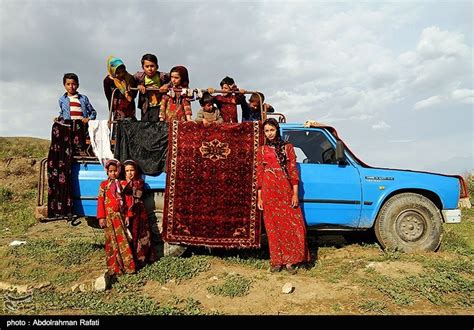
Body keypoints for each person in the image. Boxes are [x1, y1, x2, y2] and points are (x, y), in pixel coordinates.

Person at [257, 118, 311, 274]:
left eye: (272, 130)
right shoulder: (261, 150)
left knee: (291, 225)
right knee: (273, 227)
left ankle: (291, 261)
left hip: (285, 191)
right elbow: (259, 175)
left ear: (277, 130)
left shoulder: (288, 148)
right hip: (269, 192)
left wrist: (294, 194)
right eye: (266, 131)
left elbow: (293, 172)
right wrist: (260, 197)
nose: (269, 133)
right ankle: (277, 261)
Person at [97, 159, 136, 275]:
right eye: (110, 171)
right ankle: (114, 268)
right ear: (107, 172)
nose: (113, 173)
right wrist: (101, 217)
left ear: (119, 171)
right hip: (108, 218)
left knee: (123, 241)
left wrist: (128, 215)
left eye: (115, 171)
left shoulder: (123, 184)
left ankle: (128, 267)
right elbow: (100, 201)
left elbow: (129, 201)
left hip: (120, 217)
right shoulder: (103, 185)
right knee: (110, 241)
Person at [121, 159, 156, 269]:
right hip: (125, 212)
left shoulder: (139, 182)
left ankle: (141, 259)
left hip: (138, 212)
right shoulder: (120, 183)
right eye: (127, 171)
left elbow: (137, 194)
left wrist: (129, 185)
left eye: (132, 170)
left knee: (139, 234)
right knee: (128, 235)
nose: (130, 173)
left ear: (136, 171)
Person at [134, 54, 170, 122]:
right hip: (145, 106)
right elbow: (130, 81)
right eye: (147, 66)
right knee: (145, 126)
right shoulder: (139, 76)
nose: (150, 69)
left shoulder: (163, 76)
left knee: (159, 126)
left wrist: (167, 85)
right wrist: (138, 85)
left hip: (160, 106)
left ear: (157, 67)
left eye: (152, 66)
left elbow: (174, 78)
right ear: (143, 67)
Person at [103, 56, 138, 121]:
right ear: (111, 70)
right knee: (118, 127)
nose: (119, 75)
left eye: (122, 72)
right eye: (117, 73)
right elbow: (109, 96)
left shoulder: (129, 78)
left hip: (129, 108)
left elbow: (134, 94)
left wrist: (129, 92)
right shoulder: (107, 81)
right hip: (117, 108)